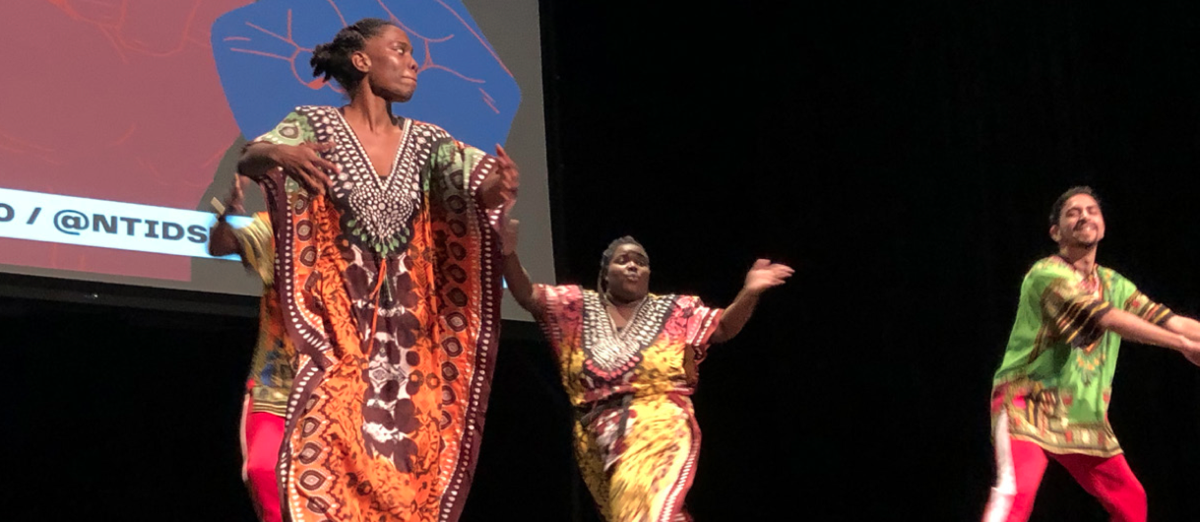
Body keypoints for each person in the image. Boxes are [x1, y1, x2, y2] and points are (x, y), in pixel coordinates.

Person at [235, 17, 518, 522]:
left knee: (405, 481)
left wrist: (498, 187)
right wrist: (278, 152)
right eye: (401, 50)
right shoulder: (313, 124)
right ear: (362, 60)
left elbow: (477, 193)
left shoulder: (429, 142)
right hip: (336, 330)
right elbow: (250, 158)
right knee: (323, 456)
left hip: (408, 343)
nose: (414, 63)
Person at [500, 219, 793, 522]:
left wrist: (749, 292)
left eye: (640, 263)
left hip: (658, 420)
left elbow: (722, 328)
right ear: (605, 274)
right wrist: (508, 253)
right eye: (623, 260)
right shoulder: (576, 307)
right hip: (596, 438)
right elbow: (528, 295)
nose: (633, 266)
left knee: (640, 514)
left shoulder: (675, 310)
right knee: (650, 514)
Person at [981, 186, 1200, 522]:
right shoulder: (1046, 274)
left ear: (1103, 225)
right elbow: (1103, 317)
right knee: (1017, 492)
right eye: (1073, 212)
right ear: (1055, 232)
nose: (1084, 216)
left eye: (1092, 210)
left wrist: (1187, 336)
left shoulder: (1114, 284)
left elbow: (1170, 320)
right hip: (1027, 403)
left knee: (1130, 501)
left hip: (1084, 417)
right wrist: (1183, 345)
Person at [208, 175, 292, 522]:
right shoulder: (276, 229)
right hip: (276, 387)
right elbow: (220, 245)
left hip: (338, 388)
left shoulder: (355, 241)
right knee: (262, 469)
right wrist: (228, 212)